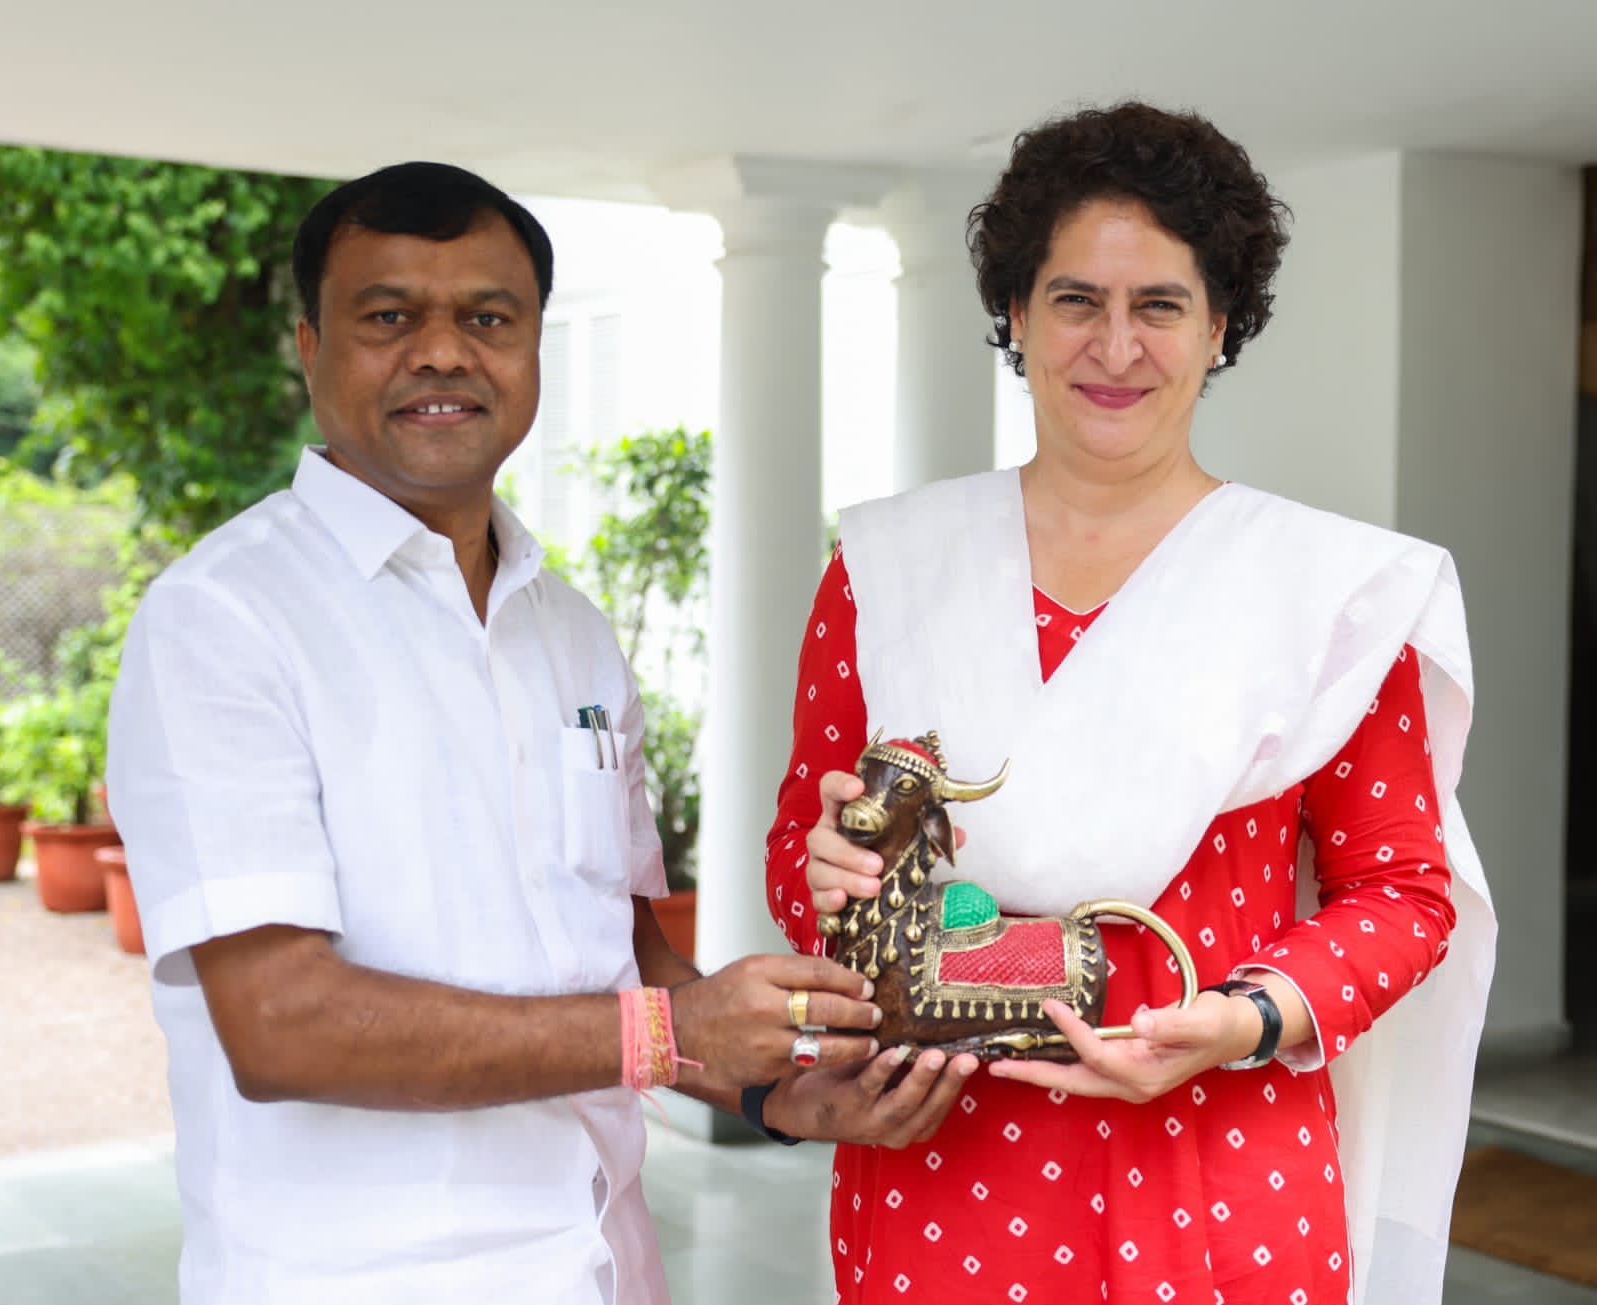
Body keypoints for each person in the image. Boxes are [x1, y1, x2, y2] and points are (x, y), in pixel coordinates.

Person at [105, 161, 887, 1305]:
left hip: (607, 1266)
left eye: (488, 318)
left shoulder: (568, 630)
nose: (441, 353)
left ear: (531, 351)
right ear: (310, 349)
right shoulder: (223, 618)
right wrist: (667, 1034)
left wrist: (777, 1089)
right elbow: (279, 1025)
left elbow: (623, 952)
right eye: (387, 317)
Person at [764, 103, 1496, 1305]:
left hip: (1220, 1155)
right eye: (1075, 300)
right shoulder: (889, 570)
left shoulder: (1325, 592)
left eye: (1158, 304)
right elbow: (804, 850)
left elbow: (1403, 891)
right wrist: (832, 872)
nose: (1115, 346)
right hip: (947, 1155)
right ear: (1014, 313)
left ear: (1219, 325)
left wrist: (1246, 1019)